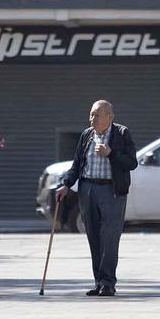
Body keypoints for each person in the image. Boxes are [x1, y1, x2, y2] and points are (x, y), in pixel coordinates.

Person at [56, 100, 137, 297]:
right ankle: (98, 282)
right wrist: (66, 184)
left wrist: (111, 153)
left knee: (110, 238)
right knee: (93, 237)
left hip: (112, 191)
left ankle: (108, 282)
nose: (92, 119)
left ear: (110, 117)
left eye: (97, 115)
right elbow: (77, 164)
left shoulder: (121, 133)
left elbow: (131, 162)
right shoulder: (86, 135)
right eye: (91, 114)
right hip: (88, 189)